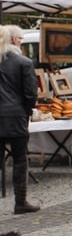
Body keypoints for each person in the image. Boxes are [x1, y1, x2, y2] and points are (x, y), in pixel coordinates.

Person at [0, 25, 39, 214]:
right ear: (13, 40)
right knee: (20, 159)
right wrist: (27, 111)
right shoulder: (23, 62)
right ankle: (20, 201)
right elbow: (30, 93)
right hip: (15, 116)